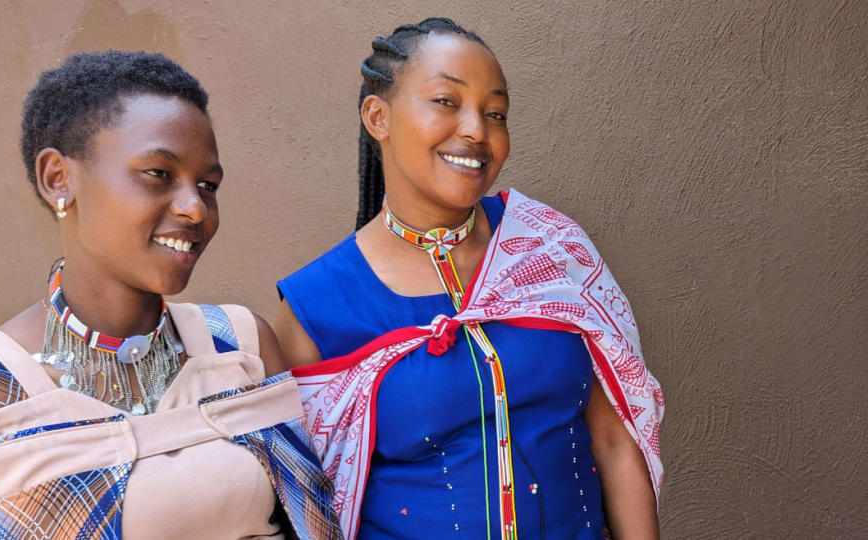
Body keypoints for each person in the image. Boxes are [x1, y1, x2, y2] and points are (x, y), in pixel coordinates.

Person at [0, 51, 340, 539]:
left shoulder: (239, 346)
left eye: (208, 184)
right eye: (159, 173)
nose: (195, 208)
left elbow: (311, 523)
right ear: (58, 179)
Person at [275, 18, 662, 540]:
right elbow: (311, 509)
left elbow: (614, 440)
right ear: (377, 117)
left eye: (495, 112)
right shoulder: (313, 308)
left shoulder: (549, 249)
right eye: (446, 102)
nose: (477, 130)